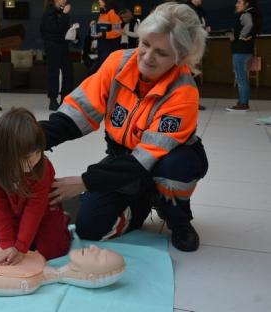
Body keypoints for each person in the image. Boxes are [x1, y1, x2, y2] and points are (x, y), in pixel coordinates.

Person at [40, 3, 209, 252]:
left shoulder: (183, 93)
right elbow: (77, 112)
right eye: (145, 44)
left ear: (180, 57)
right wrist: (31, 139)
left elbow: (146, 159)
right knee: (89, 228)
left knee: (176, 166)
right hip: (124, 157)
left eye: (161, 53)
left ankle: (178, 217)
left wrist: (85, 182)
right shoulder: (118, 63)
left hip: (163, 161)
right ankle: (142, 202)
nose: (148, 57)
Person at [0, 108, 71, 265]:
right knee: (4, 251)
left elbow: (35, 209)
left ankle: (62, 220)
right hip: (14, 213)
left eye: (38, 152)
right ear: (5, 153)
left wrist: (21, 246)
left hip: (45, 211)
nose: (34, 161)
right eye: (26, 158)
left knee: (53, 252)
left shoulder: (43, 167)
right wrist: (9, 245)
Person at [227, 0, 262, 112]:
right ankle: (243, 101)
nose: (236, 4)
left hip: (240, 50)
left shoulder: (246, 14)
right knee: (242, 77)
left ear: (246, 4)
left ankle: (243, 104)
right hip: (244, 50)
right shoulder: (251, 13)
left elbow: (249, 25)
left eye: (239, 2)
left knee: (241, 78)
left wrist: (241, 36)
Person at [40, 0, 74, 111]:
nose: (64, 0)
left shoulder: (62, 12)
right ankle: (53, 100)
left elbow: (64, 28)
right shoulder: (49, 13)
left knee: (68, 72)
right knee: (53, 73)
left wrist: (73, 32)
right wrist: (64, 14)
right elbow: (55, 29)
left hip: (64, 46)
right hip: (52, 47)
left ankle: (65, 98)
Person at [185, 0, 210, 111]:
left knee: (193, 73)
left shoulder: (200, 10)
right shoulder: (187, 8)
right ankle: (189, 101)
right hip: (190, 45)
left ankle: (192, 101)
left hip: (196, 45)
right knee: (190, 73)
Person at [89, 0, 122, 75]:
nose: (99, 2)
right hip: (101, 47)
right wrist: (93, 25)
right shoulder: (102, 14)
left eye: (100, 1)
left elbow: (117, 32)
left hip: (109, 48)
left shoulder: (113, 13)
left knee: (104, 70)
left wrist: (103, 34)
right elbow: (100, 29)